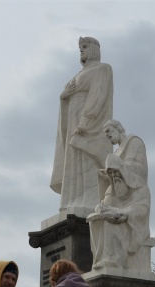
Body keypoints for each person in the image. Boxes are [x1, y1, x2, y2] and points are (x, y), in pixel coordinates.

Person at [51, 36, 114, 213]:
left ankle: (90, 199)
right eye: (80, 47)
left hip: (89, 125)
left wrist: (86, 121)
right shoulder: (77, 75)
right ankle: (73, 199)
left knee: (87, 159)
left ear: (94, 49)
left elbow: (98, 95)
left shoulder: (102, 69)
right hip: (73, 121)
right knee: (73, 161)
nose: (81, 50)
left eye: (85, 46)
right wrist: (63, 98)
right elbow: (67, 98)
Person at [87, 137, 151, 271]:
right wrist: (101, 208)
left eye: (116, 171)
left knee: (110, 222)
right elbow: (106, 204)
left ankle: (114, 261)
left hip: (132, 225)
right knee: (96, 221)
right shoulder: (112, 189)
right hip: (118, 218)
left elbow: (142, 209)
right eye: (111, 173)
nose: (115, 176)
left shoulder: (139, 187)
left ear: (123, 171)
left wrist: (125, 214)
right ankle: (100, 260)